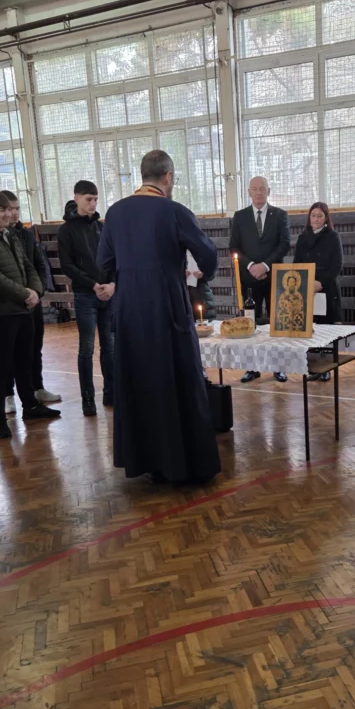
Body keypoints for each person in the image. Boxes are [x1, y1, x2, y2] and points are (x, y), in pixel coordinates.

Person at [97, 149, 221, 483]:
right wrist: (201, 273)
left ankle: (147, 460)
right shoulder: (174, 211)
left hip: (129, 310)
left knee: (140, 380)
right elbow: (208, 256)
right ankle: (182, 463)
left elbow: (103, 262)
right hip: (167, 306)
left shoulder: (115, 212)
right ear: (168, 177)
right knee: (176, 378)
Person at [0, 191, 61, 440]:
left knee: (25, 361)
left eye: (10, 209)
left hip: (23, 309)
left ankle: (30, 406)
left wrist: (35, 290)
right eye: (2, 210)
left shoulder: (9, 234)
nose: (9, 214)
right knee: (1, 366)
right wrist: (24, 294)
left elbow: (28, 265)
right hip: (0, 314)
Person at [57, 180, 115, 417]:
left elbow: (113, 259)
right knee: (86, 348)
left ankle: (111, 392)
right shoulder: (66, 230)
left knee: (109, 346)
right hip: (85, 295)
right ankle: (88, 398)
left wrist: (112, 284)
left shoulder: (102, 227)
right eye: (88, 199)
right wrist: (92, 284)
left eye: (96, 199)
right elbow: (67, 265)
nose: (93, 204)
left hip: (107, 294)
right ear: (77, 198)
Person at [2, 190, 60, 412]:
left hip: (32, 301)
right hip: (9, 305)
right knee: (8, 352)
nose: (14, 213)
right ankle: (7, 394)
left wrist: (37, 291)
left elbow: (38, 265)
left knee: (35, 347)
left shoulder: (25, 234)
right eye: (9, 209)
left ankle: (37, 387)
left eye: (17, 208)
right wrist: (21, 293)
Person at [229, 176, 291, 383]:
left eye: (262, 189)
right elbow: (234, 246)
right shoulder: (240, 216)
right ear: (249, 192)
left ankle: (279, 367)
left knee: (277, 323)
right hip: (249, 279)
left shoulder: (280, 215)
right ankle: (251, 367)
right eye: (254, 189)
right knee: (249, 324)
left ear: (268, 191)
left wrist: (264, 265)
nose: (258, 192)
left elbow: (284, 244)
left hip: (274, 277)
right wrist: (251, 266)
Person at [293, 201, 343, 382]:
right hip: (307, 288)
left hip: (326, 287)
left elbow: (337, 265)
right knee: (310, 328)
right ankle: (312, 366)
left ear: (326, 218)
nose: (316, 219)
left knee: (325, 328)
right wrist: (306, 282)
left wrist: (320, 282)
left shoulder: (333, 236)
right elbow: (297, 264)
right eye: (313, 215)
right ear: (309, 217)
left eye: (320, 216)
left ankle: (326, 367)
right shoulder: (302, 237)